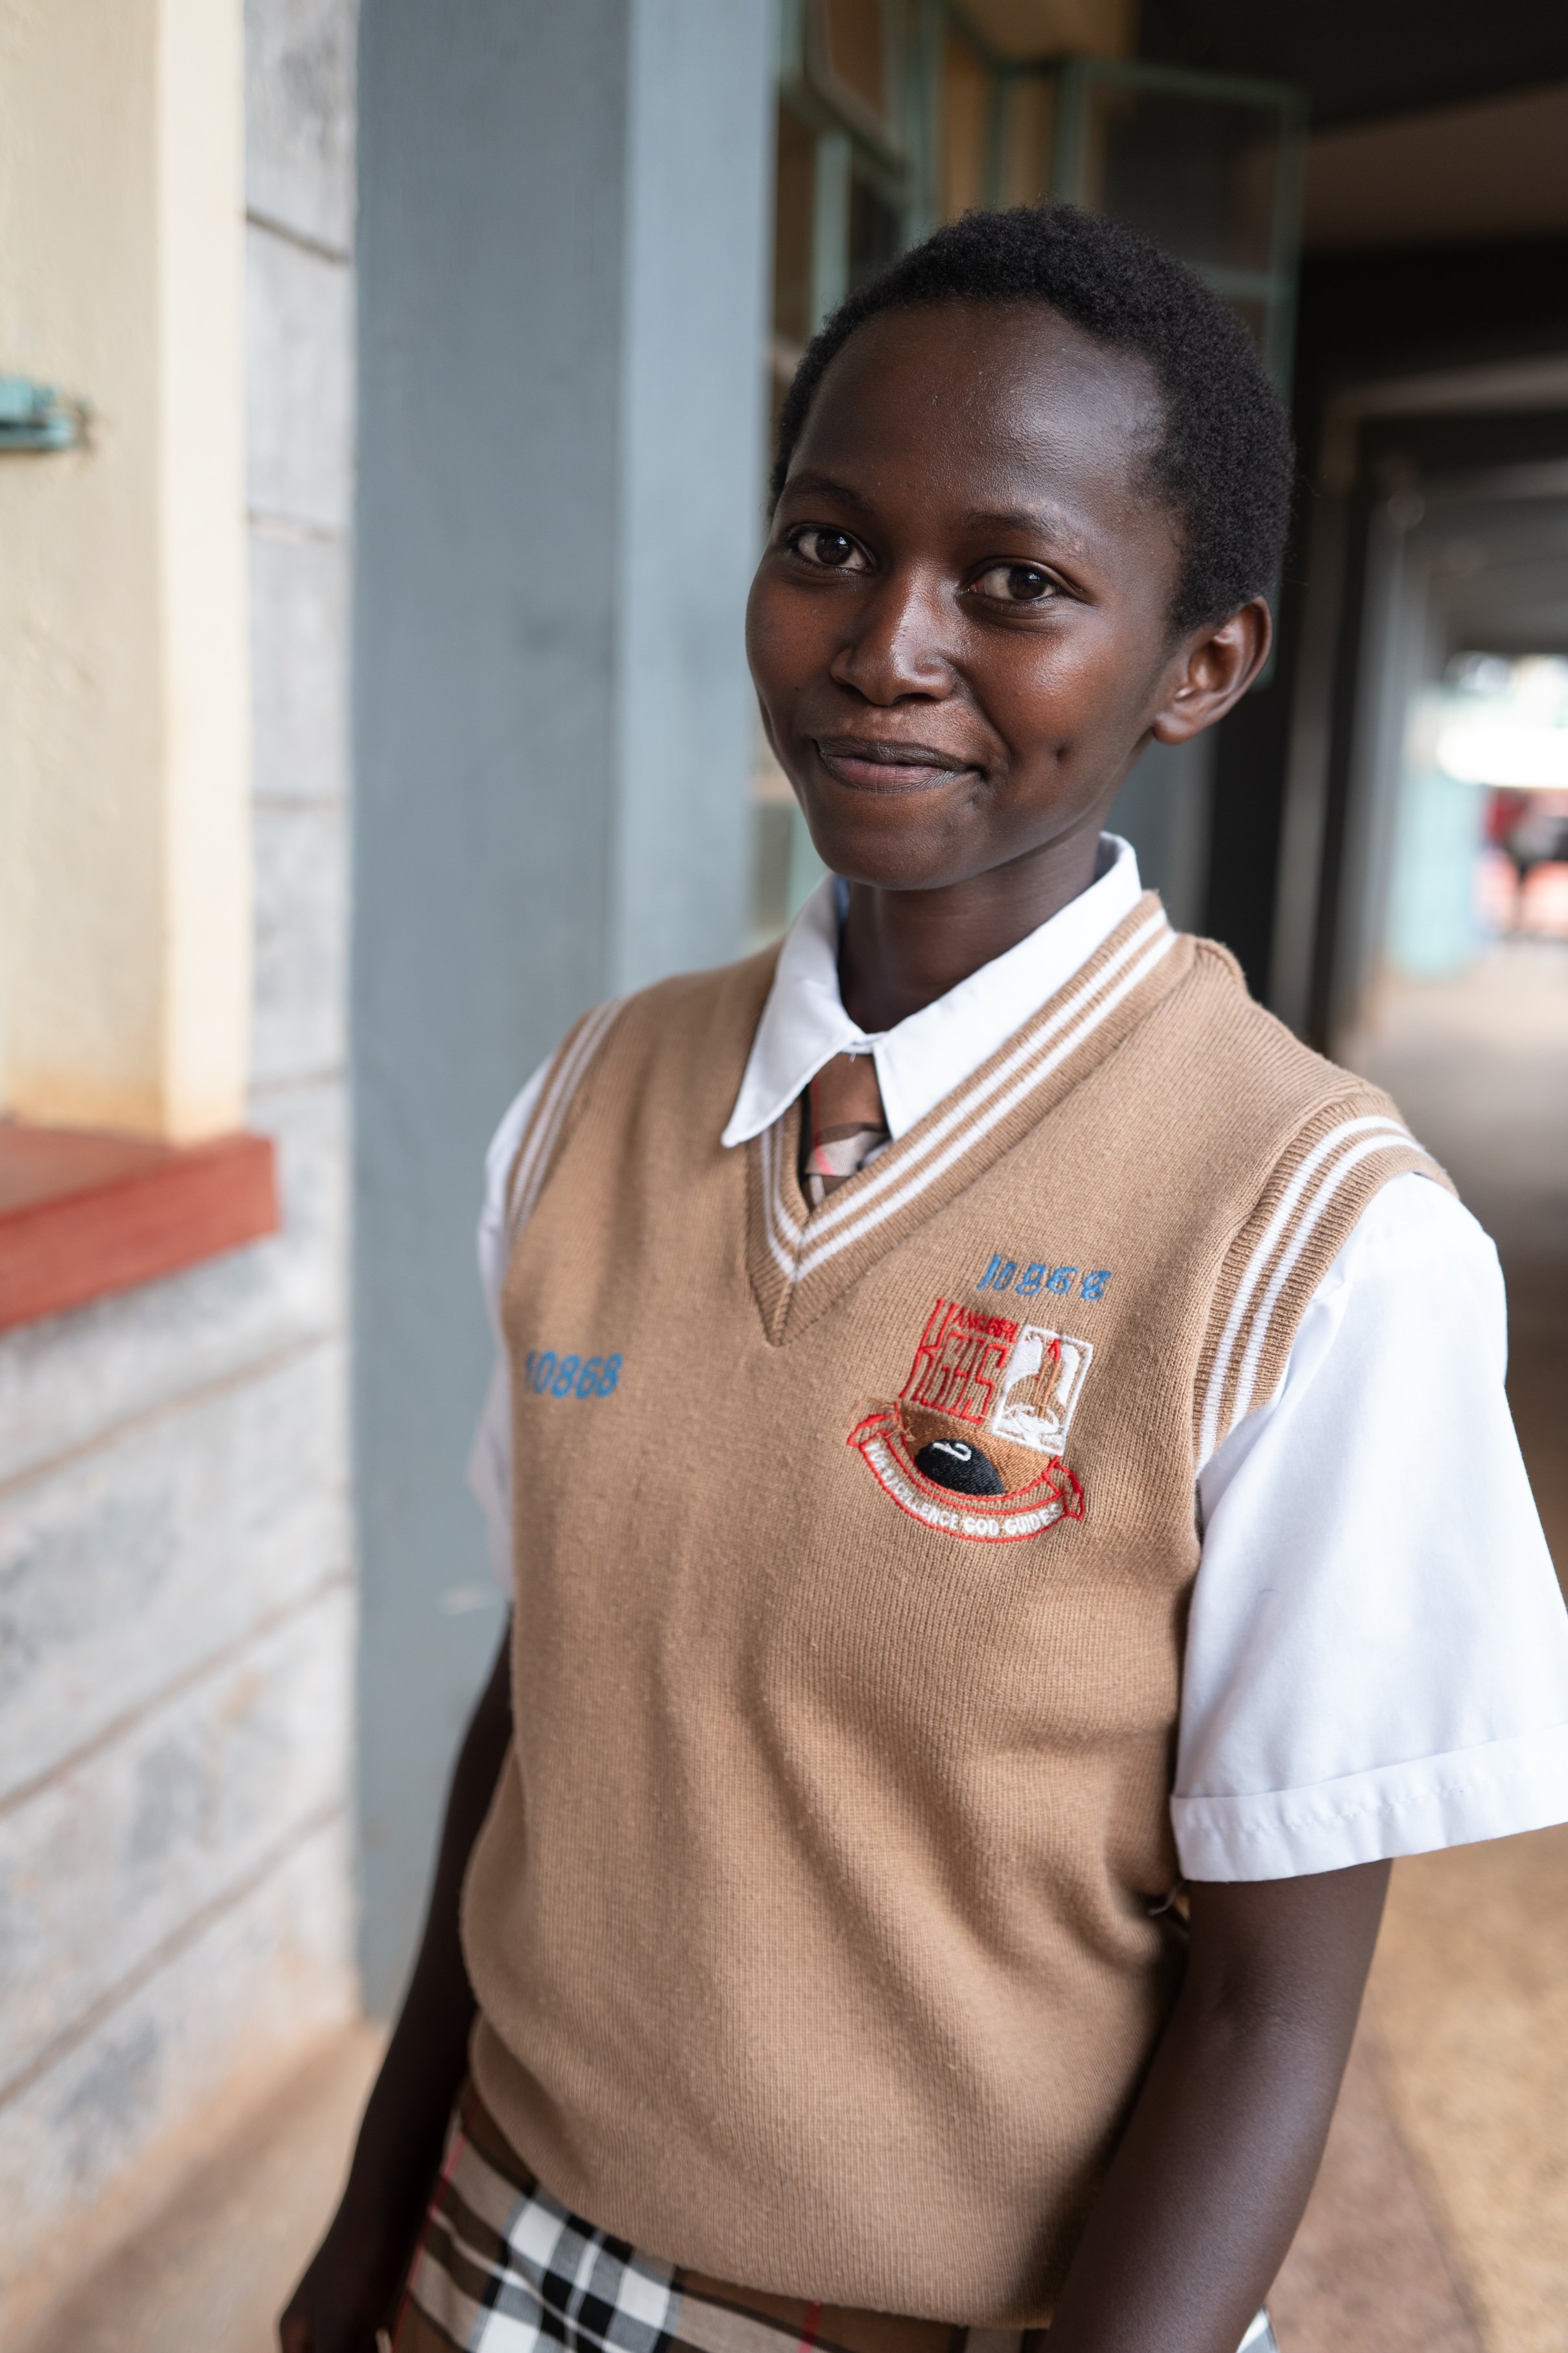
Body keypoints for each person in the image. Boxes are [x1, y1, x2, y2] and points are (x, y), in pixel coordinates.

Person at [281, 207, 1568, 2353]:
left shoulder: (1312, 1241)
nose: (886, 643)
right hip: (498, 2251)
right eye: (824, 543)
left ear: (1201, 662)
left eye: (1017, 583)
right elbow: (540, 1711)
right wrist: (360, 2245)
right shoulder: (588, 1105)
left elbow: (1268, 2013)